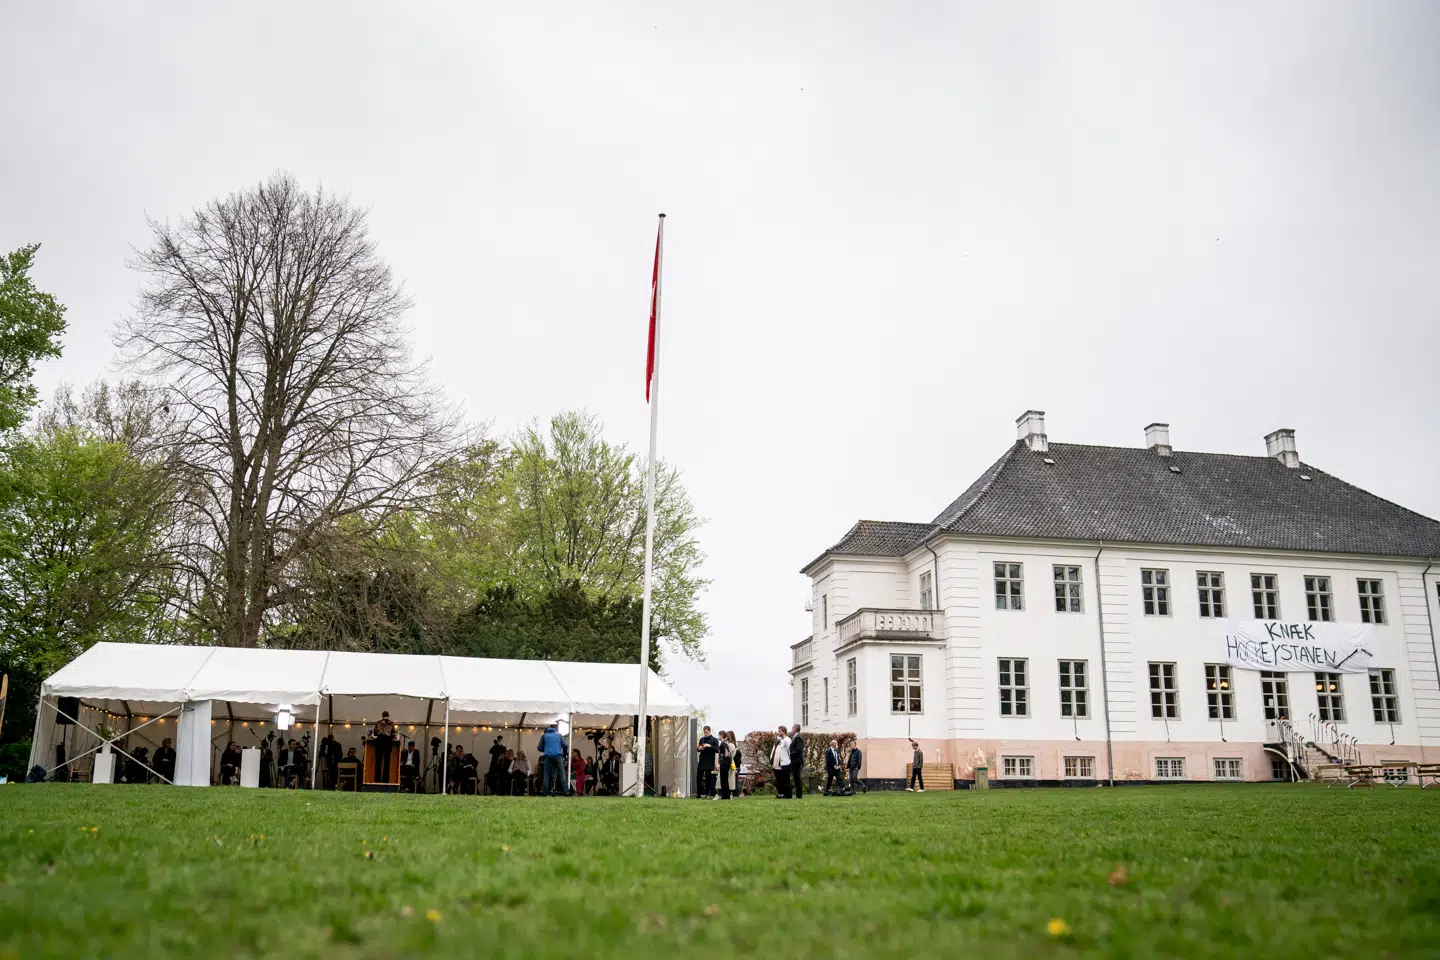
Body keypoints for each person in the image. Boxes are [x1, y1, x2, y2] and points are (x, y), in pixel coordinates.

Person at [538, 724, 566, 797]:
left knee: (546, 774)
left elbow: (539, 747)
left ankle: (545, 792)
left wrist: (546, 749)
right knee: (562, 774)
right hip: (558, 756)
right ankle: (566, 791)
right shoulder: (559, 735)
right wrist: (564, 755)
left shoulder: (544, 736)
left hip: (548, 756)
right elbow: (565, 745)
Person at [370, 712, 398, 784]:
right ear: (388, 716)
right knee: (387, 762)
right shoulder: (391, 723)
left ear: (382, 716)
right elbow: (394, 734)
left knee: (378, 761)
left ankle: (377, 779)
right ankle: (386, 779)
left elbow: (375, 733)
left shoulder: (378, 723)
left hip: (379, 742)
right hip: (388, 743)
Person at [697, 725, 719, 798]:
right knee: (699, 777)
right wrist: (699, 748)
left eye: (706, 732)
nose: (705, 733)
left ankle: (707, 793)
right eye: (704, 732)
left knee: (708, 778)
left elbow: (717, 750)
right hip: (702, 760)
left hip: (710, 762)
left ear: (709, 731)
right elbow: (698, 749)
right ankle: (698, 794)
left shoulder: (715, 740)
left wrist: (709, 746)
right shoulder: (702, 739)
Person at [771, 726, 792, 798]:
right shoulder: (781, 740)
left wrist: (789, 760)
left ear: (784, 731)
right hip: (782, 763)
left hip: (786, 762)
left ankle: (788, 795)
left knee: (786, 780)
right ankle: (784, 794)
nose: (778, 732)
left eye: (779, 731)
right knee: (782, 780)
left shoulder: (787, 740)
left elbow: (790, 750)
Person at [788, 724, 806, 800]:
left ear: (795, 729)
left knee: (797, 778)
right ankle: (798, 795)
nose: (791, 729)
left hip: (796, 761)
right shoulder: (794, 738)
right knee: (796, 778)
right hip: (794, 760)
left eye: (792, 728)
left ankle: (799, 795)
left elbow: (799, 749)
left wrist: (790, 754)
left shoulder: (798, 738)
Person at [716, 732, 733, 800]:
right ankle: (726, 795)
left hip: (724, 762)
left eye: (719, 735)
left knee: (723, 780)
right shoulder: (726, 742)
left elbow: (724, 754)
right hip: (726, 762)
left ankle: (725, 796)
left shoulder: (723, 743)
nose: (718, 736)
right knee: (725, 779)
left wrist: (721, 761)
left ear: (721, 735)